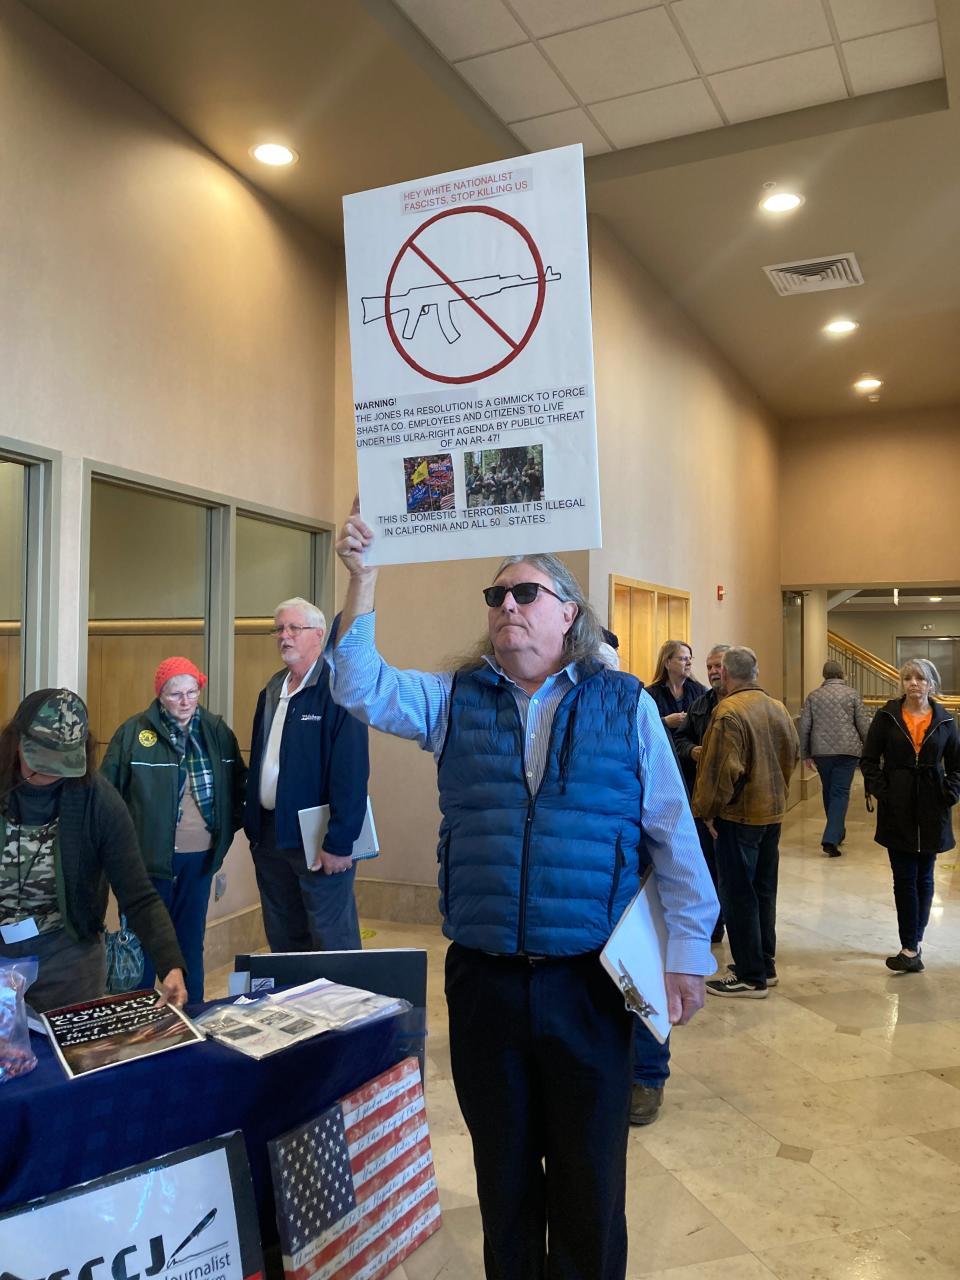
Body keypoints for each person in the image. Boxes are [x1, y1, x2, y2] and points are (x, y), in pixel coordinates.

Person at [329, 502, 718, 1280]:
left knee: (589, 1175)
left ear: (569, 612)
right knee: (503, 1174)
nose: (506, 604)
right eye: (496, 596)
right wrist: (363, 580)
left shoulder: (624, 703)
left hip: (590, 980)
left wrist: (689, 949)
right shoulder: (454, 699)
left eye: (526, 592)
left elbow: (674, 832)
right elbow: (357, 685)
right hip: (485, 978)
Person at [0, 688, 186, 1012]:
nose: (47, 774)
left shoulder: (99, 801)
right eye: (39, 761)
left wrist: (169, 962)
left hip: (68, 961)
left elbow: (137, 894)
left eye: (60, 765)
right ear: (16, 742)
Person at [101, 657, 247, 1003]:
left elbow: (238, 787)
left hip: (199, 860)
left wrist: (223, 834)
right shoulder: (134, 733)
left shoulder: (216, 732)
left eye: (192, 692)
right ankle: (137, 1017)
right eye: (175, 694)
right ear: (159, 695)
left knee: (189, 941)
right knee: (143, 941)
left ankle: (191, 1015)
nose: (185, 701)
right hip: (145, 863)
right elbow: (108, 794)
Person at [244, 597, 369, 952]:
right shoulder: (272, 690)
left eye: (293, 628)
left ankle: (343, 1009)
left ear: (318, 634)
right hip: (271, 837)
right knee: (284, 942)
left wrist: (340, 842)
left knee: (331, 941)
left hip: (320, 842)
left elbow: (352, 772)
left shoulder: (338, 689)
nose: (284, 636)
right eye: (279, 629)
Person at [693, 647, 799, 999]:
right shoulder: (777, 707)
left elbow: (721, 772)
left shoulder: (728, 713)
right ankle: (765, 965)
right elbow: (791, 755)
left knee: (738, 895)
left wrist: (707, 812)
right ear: (756, 671)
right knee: (764, 890)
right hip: (771, 812)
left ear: (724, 673)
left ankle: (750, 975)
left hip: (738, 817)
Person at [860, 658, 960, 973]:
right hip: (897, 806)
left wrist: (950, 792)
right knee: (904, 878)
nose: (913, 683)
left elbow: (957, 764)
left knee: (925, 876)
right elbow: (868, 759)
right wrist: (883, 791)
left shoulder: (945, 720)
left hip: (933, 805)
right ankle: (909, 945)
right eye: (907, 678)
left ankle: (913, 944)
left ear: (931, 684)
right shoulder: (887, 716)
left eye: (920, 678)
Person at [675, 644, 730, 941]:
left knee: (734, 873)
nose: (712, 672)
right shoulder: (700, 704)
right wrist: (693, 751)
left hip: (737, 805)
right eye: (709, 667)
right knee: (706, 868)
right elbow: (680, 739)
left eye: (718, 665)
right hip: (701, 800)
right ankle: (714, 925)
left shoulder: (747, 705)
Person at [798, 659, 871, 856]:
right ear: (842, 674)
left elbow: (804, 727)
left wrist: (805, 754)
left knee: (829, 791)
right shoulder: (852, 694)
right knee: (839, 793)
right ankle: (831, 837)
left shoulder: (813, 696)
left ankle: (837, 831)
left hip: (821, 752)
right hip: (848, 751)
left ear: (824, 675)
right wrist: (870, 748)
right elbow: (863, 724)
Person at [647, 640, 708, 733]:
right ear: (667, 663)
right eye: (683, 659)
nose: (689, 663)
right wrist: (665, 722)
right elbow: (642, 727)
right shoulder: (650, 694)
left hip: (692, 747)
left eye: (690, 658)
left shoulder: (700, 691)